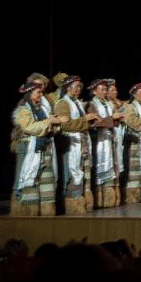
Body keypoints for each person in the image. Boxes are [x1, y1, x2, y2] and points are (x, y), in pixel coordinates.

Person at [10, 74, 68, 216]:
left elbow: (47, 126)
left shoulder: (42, 108)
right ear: (30, 93)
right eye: (38, 92)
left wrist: (57, 124)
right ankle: (28, 212)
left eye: (42, 92)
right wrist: (50, 122)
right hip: (29, 149)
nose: (41, 95)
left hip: (45, 149)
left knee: (46, 181)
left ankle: (47, 212)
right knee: (30, 180)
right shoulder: (24, 109)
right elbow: (30, 127)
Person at [53, 75, 98, 214]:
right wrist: (85, 120)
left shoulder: (77, 102)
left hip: (82, 143)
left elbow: (80, 122)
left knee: (83, 172)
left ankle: (82, 202)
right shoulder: (63, 103)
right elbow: (65, 125)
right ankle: (72, 204)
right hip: (71, 144)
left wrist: (90, 121)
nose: (79, 89)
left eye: (80, 87)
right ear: (68, 88)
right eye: (76, 87)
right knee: (72, 174)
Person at [88, 79, 123, 209]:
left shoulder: (108, 104)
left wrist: (117, 119)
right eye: (101, 90)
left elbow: (111, 119)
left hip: (109, 139)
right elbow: (95, 123)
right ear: (94, 91)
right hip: (99, 141)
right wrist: (111, 119)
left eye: (105, 90)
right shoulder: (92, 104)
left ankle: (110, 199)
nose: (104, 92)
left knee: (112, 166)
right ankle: (100, 200)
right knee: (100, 167)